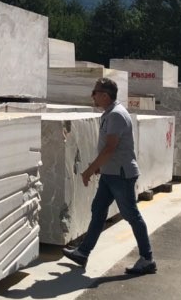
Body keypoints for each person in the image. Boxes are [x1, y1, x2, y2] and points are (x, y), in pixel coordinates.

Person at [62, 77, 156, 275]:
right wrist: (100, 167)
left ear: (105, 95)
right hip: (110, 173)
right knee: (98, 210)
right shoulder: (110, 113)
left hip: (120, 175)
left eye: (95, 92)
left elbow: (110, 148)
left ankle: (147, 259)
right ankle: (83, 252)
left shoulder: (116, 115)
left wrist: (90, 169)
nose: (92, 96)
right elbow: (109, 149)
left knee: (131, 215)